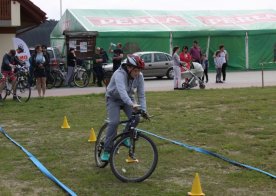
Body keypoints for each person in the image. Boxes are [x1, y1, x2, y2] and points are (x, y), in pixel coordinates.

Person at [101, 54, 147, 161]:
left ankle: (124, 137)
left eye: (139, 71)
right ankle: (106, 150)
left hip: (128, 98)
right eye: (136, 71)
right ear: (129, 67)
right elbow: (122, 93)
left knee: (136, 118)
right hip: (113, 99)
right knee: (114, 122)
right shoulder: (119, 74)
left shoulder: (139, 77)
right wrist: (132, 104)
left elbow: (141, 95)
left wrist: (143, 110)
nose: (137, 73)